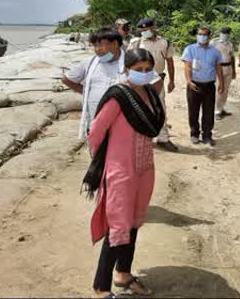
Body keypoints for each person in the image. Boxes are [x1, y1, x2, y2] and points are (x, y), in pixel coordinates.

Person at [83, 48, 164, 298]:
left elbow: (154, 124)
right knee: (117, 226)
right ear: (126, 69)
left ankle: (123, 274)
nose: (143, 74)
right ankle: (101, 287)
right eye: (137, 70)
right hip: (121, 170)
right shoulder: (118, 96)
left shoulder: (150, 93)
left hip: (144, 169)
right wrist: (103, 161)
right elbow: (96, 133)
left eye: (147, 69)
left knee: (134, 222)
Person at [63, 28, 126, 140]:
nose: (97, 50)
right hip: (95, 120)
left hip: (124, 122)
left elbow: (155, 82)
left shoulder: (131, 61)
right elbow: (67, 79)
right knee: (97, 153)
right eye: (94, 45)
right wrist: (87, 91)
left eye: (101, 45)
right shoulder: (90, 62)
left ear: (115, 44)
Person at [128, 18, 179, 152]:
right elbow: (127, 61)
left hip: (157, 80)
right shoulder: (136, 42)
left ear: (154, 28)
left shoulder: (165, 42)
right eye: (142, 30)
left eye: (146, 30)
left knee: (159, 108)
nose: (144, 32)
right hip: (139, 79)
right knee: (138, 108)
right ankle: (140, 139)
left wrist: (172, 81)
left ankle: (163, 139)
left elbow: (170, 61)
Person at [181, 27, 224, 146]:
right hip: (194, 85)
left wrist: (222, 82)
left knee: (209, 112)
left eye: (204, 35)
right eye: (200, 34)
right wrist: (189, 81)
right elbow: (187, 66)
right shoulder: (190, 49)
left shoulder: (215, 51)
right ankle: (194, 134)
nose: (202, 36)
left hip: (209, 86)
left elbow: (218, 67)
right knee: (193, 111)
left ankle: (207, 135)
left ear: (209, 37)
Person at [211, 27, 236, 121]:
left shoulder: (230, 44)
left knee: (225, 90)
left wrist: (233, 71)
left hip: (228, 67)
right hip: (218, 68)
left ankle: (221, 108)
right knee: (219, 89)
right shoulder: (214, 42)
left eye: (227, 33)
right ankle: (216, 111)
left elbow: (232, 57)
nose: (225, 34)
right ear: (220, 33)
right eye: (224, 32)